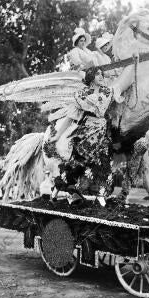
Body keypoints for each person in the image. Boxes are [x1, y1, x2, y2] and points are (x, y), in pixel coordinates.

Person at [52, 66, 120, 206]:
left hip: (102, 132)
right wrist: (57, 136)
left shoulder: (109, 92)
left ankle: (100, 194)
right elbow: (70, 117)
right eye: (98, 74)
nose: (101, 77)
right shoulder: (81, 95)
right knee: (77, 165)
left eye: (102, 74)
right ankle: (58, 188)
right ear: (91, 77)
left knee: (104, 164)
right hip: (86, 133)